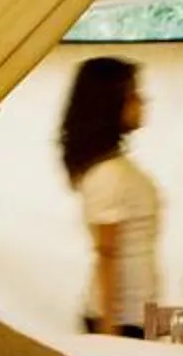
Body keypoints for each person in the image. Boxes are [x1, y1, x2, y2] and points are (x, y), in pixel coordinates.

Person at [60, 56, 158, 337]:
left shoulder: (116, 167)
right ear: (110, 103)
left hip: (136, 314)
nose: (143, 101)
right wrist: (108, 326)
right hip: (119, 320)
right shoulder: (108, 173)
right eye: (133, 95)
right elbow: (106, 252)